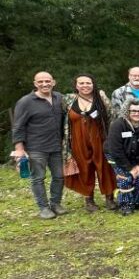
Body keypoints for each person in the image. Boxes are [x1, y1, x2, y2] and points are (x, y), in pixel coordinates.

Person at [12, 71, 68, 219]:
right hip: (36, 147)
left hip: (56, 146)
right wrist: (19, 149)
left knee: (59, 177)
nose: (45, 84)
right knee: (38, 178)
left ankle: (55, 203)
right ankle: (43, 208)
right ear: (35, 84)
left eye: (47, 81)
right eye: (41, 82)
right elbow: (18, 126)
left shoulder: (59, 98)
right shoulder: (25, 102)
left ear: (53, 82)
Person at [62, 74, 117, 212]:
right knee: (84, 169)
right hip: (78, 140)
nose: (85, 85)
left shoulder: (101, 98)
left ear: (93, 84)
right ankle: (89, 199)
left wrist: (112, 139)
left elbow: (111, 117)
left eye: (88, 83)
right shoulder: (68, 99)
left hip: (100, 139)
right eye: (81, 83)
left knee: (105, 167)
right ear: (76, 85)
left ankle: (109, 198)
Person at [105, 98, 139, 216]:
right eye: (133, 111)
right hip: (117, 156)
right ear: (127, 111)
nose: (136, 113)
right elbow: (115, 149)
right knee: (126, 178)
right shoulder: (118, 124)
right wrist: (129, 168)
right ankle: (125, 204)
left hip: (138, 156)